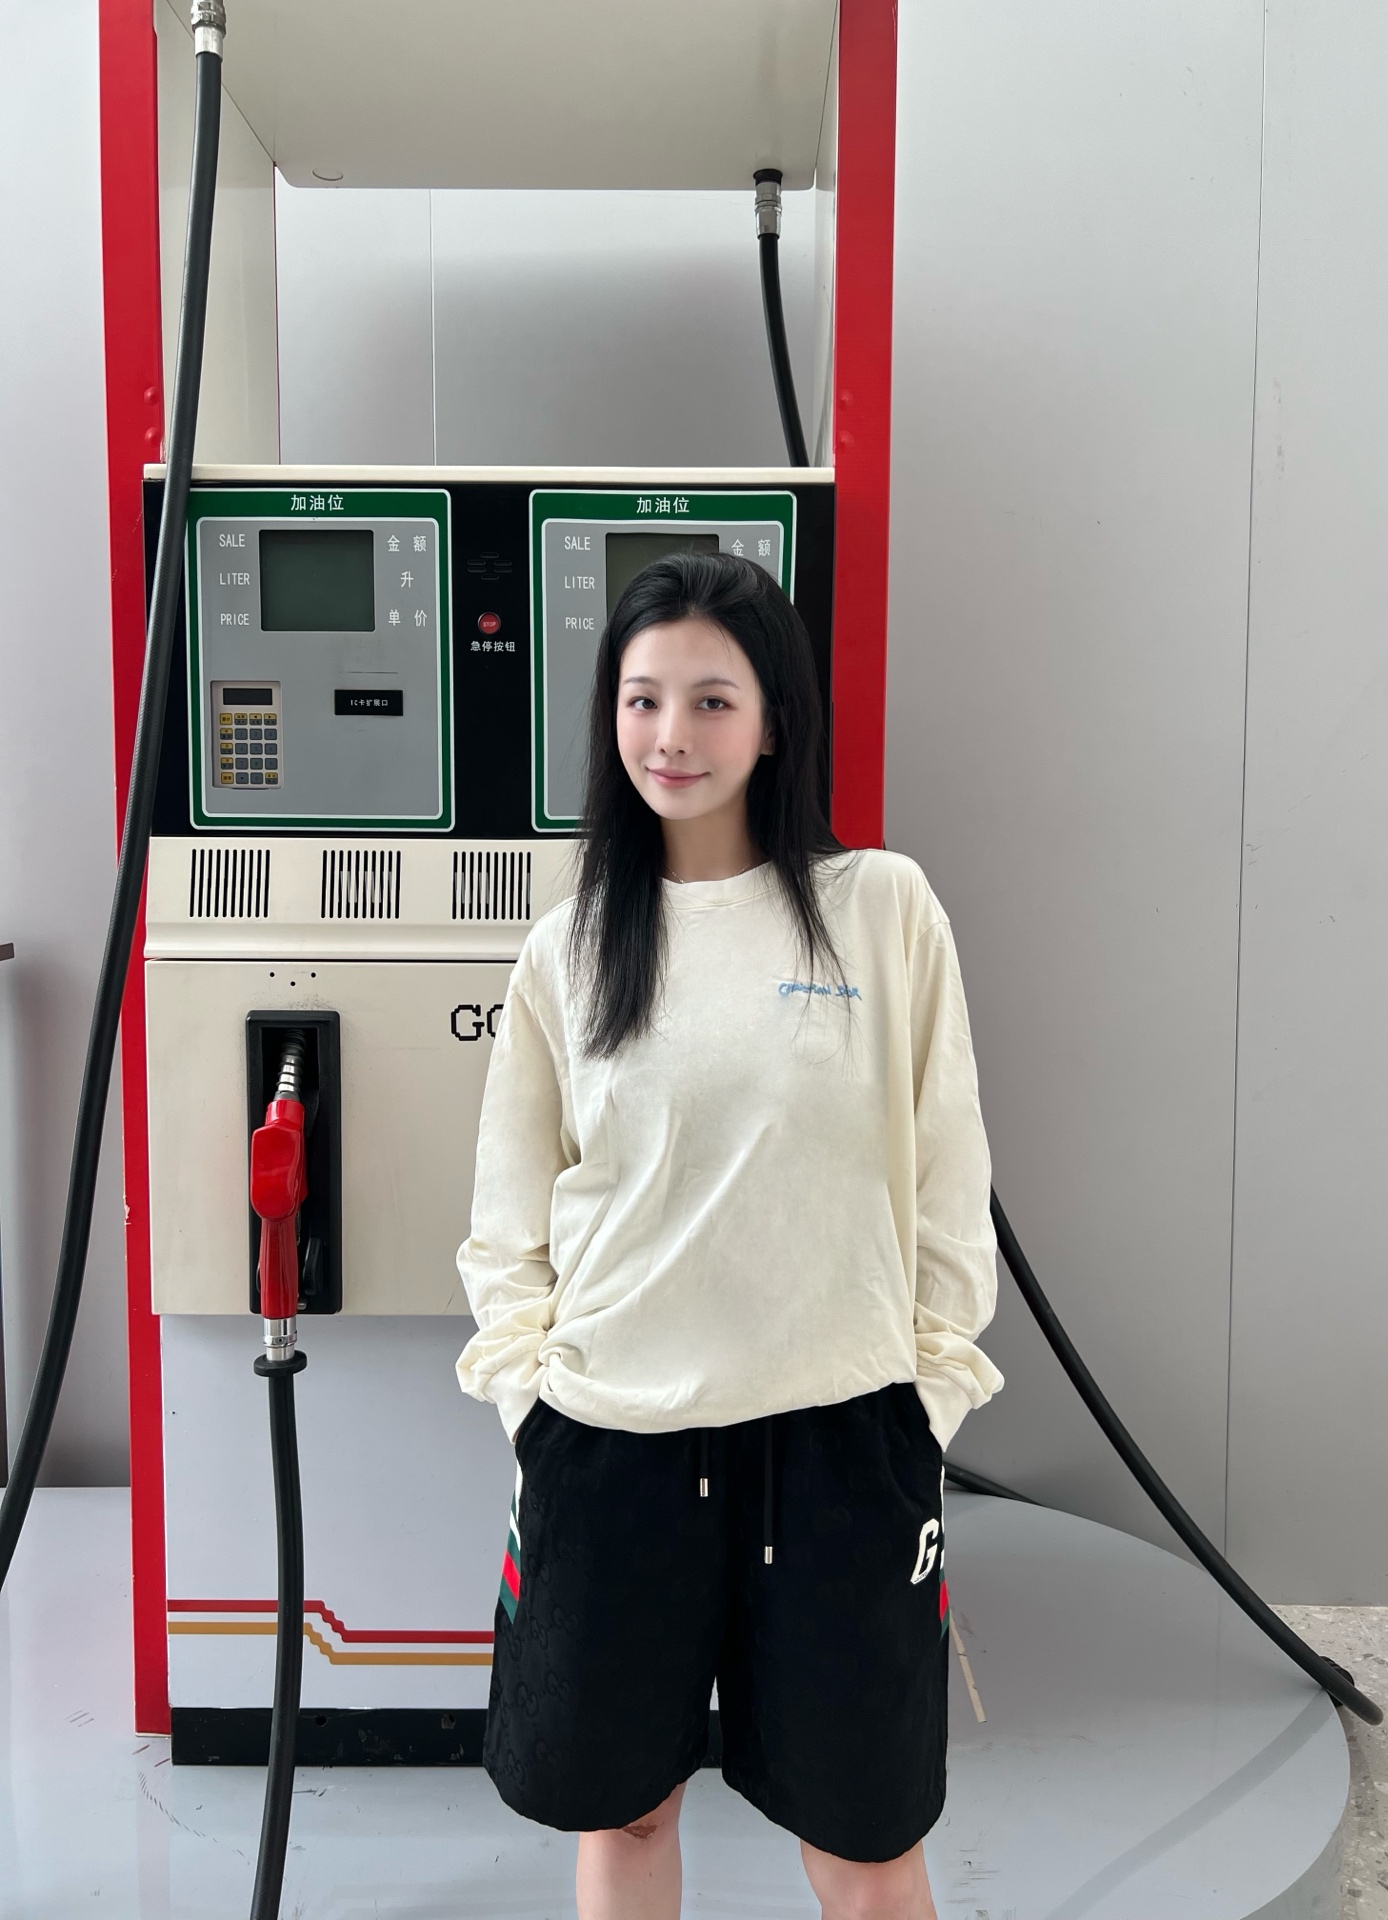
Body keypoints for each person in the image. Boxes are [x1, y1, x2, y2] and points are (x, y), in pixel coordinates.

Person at [457, 551, 1002, 1920]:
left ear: (774, 721)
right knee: (627, 1810)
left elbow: (948, 1176)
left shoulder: (882, 909)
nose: (672, 735)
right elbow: (507, 1221)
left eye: (712, 700)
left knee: (865, 1840)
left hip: (840, 1446)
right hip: (612, 1447)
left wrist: (926, 1399)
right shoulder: (569, 949)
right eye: (643, 699)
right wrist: (533, 1405)